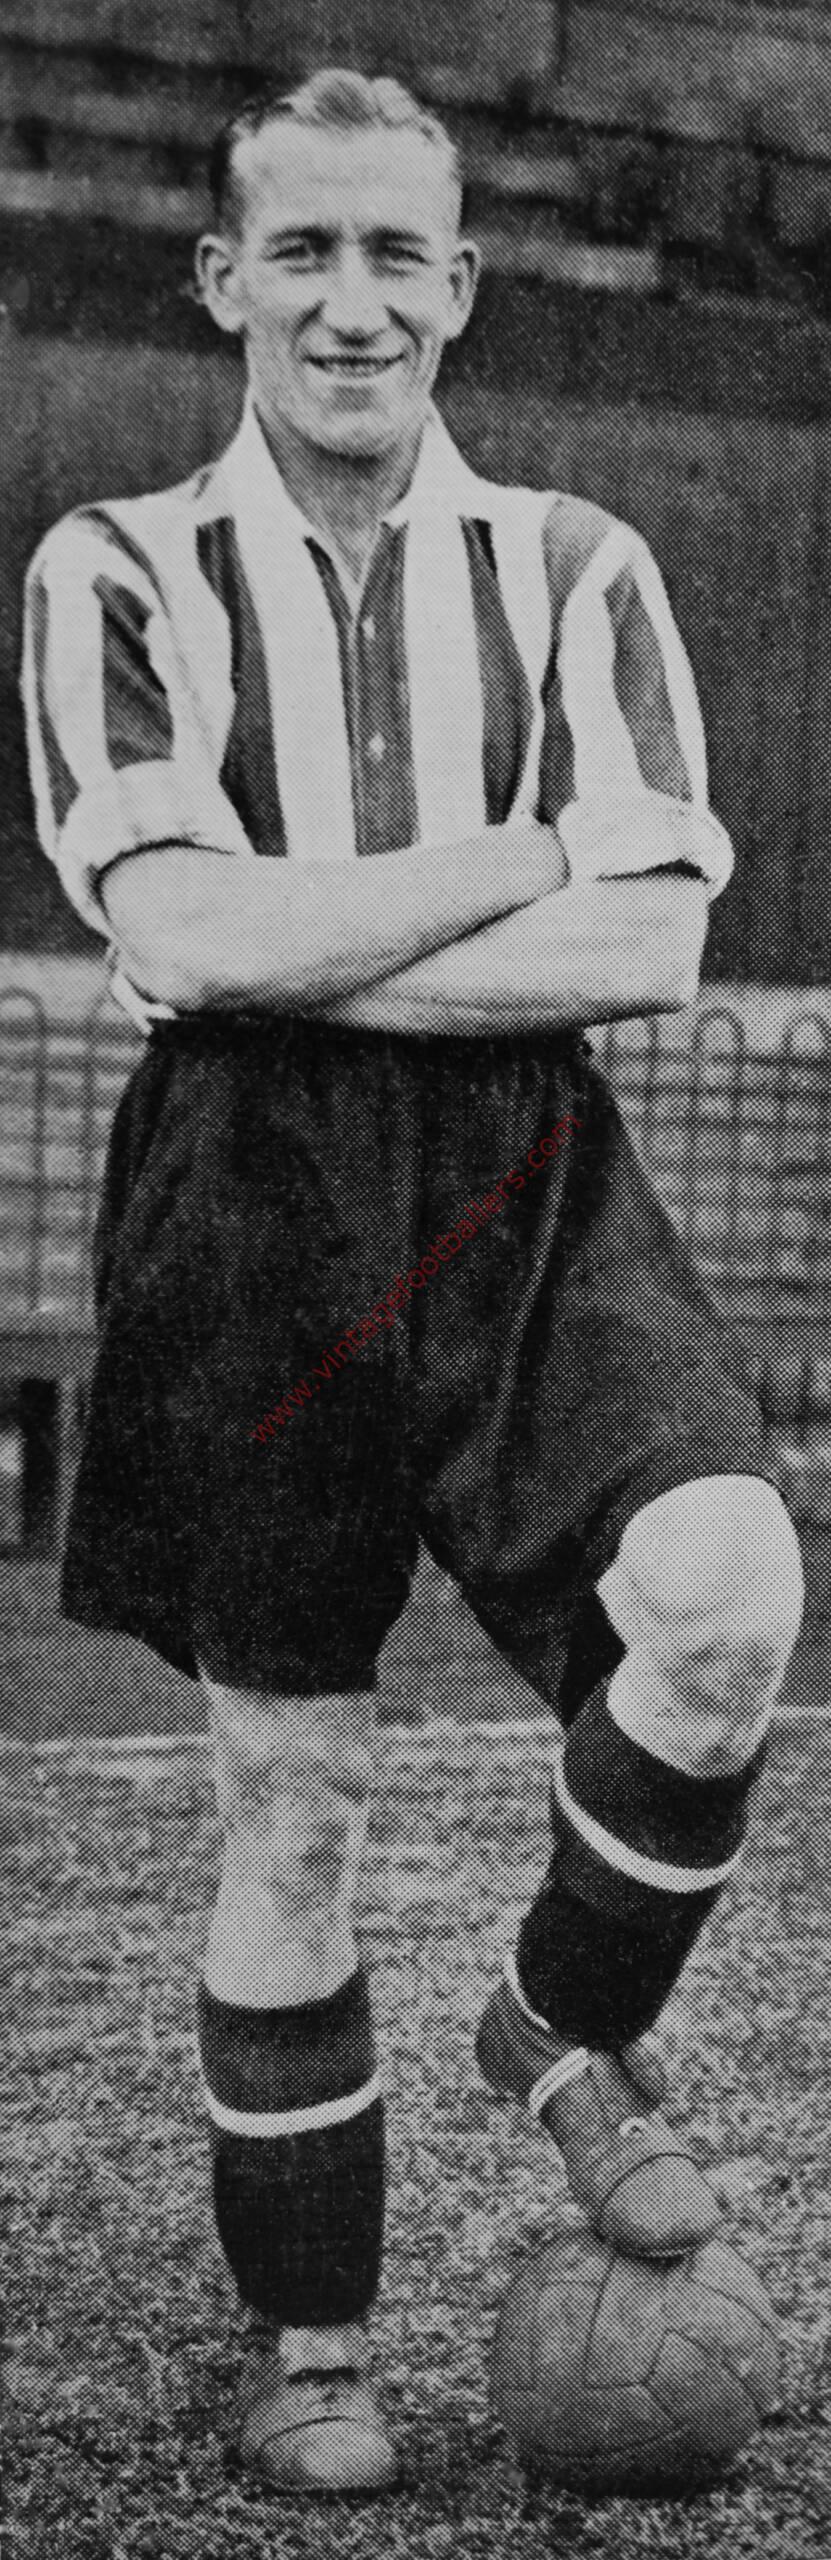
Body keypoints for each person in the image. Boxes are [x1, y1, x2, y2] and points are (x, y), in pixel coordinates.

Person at [22, 68, 804, 2501]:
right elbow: (174, 932)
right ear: (221, 282)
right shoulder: (115, 567)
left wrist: (304, 936)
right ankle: (312, 2337)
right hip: (244, 1198)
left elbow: (652, 941)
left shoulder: (576, 567)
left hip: (518, 1163)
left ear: (459, 287)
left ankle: (552, 2024)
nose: (349, 302)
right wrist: (514, 855)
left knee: (724, 1588)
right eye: (304, 251)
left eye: (395, 255)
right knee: (292, 1800)